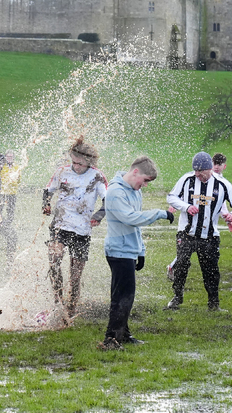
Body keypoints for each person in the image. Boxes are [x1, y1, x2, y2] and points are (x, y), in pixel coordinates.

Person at [100, 156, 174, 350]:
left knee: (127, 295)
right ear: (135, 172)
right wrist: (160, 213)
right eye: (146, 180)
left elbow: (136, 228)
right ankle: (111, 339)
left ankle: (122, 334)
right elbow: (131, 219)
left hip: (129, 250)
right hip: (118, 251)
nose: (146, 185)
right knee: (122, 296)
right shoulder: (115, 192)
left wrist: (140, 250)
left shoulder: (134, 191)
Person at [164, 152, 232, 312]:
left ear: (209, 169)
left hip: (209, 236)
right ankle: (177, 297)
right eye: (196, 171)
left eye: (201, 172)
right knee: (181, 265)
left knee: (211, 270)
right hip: (186, 233)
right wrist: (186, 207)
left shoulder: (222, 184)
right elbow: (171, 197)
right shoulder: (187, 179)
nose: (198, 175)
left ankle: (213, 304)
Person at [42, 137, 108, 317]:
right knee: (54, 259)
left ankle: (71, 308)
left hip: (82, 230)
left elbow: (107, 200)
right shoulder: (62, 172)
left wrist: (99, 215)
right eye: (73, 162)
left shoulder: (97, 176)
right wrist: (46, 204)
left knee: (75, 275)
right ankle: (57, 300)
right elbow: (48, 190)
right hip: (60, 225)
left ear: (89, 162)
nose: (76, 167)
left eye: (80, 164)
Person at [0, 149, 21, 261]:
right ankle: (0, 221)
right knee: (1, 208)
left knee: (11, 209)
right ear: (5, 157)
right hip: (3, 191)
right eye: (8, 156)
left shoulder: (17, 167)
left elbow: (19, 178)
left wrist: (15, 185)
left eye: (11, 156)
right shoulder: (2, 166)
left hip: (12, 192)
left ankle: (8, 222)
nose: (10, 158)